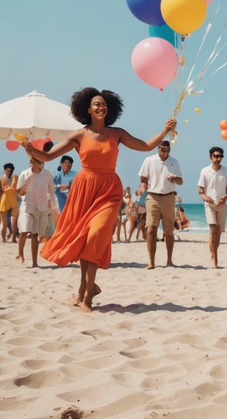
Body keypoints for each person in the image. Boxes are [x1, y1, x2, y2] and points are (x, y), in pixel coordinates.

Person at [22, 87, 175, 311]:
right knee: (85, 239)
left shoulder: (116, 133)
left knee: (95, 235)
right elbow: (48, 156)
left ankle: (87, 299)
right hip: (84, 190)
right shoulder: (78, 135)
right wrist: (30, 150)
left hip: (109, 191)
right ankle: (86, 286)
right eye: (96, 104)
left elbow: (146, 146)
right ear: (88, 109)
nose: (101, 106)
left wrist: (164, 131)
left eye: (104, 104)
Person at [137, 139, 183, 269]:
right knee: (151, 228)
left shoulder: (174, 162)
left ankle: (169, 260)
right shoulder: (149, 160)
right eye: (160, 148)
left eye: (164, 149)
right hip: (152, 197)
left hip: (169, 197)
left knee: (169, 231)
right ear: (157, 148)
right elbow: (143, 177)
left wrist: (175, 178)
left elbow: (180, 181)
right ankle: (151, 261)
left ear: (169, 149)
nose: (162, 151)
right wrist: (143, 187)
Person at [197, 146, 227, 268]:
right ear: (210, 157)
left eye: (220, 156)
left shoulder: (226, 172)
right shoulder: (204, 171)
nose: (217, 158)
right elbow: (200, 189)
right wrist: (205, 197)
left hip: (222, 205)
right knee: (213, 229)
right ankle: (214, 258)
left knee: (218, 233)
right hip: (209, 204)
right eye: (215, 156)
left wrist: (226, 197)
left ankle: (214, 255)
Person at [16, 158, 57, 267]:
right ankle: (20, 254)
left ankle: (35, 262)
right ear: (31, 163)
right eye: (37, 161)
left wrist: (54, 207)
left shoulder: (47, 174)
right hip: (27, 206)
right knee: (24, 230)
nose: (40, 163)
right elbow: (20, 192)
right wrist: (31, 176)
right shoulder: (24, 173)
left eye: (41, 161)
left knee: (35, 234)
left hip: (41, 207)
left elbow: (51, 191)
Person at [1, 162, 20, 243]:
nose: (9, 172)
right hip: (9, 198)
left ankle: (10, 238)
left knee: (11, 221)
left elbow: (8, 188)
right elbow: (11, 188)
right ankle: (6, 239)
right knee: (5, 222)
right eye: (8, 170)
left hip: (9, 198)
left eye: (10, 170)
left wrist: (9, 188)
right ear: (5, 170)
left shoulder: (3, 178)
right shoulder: (14, 177)